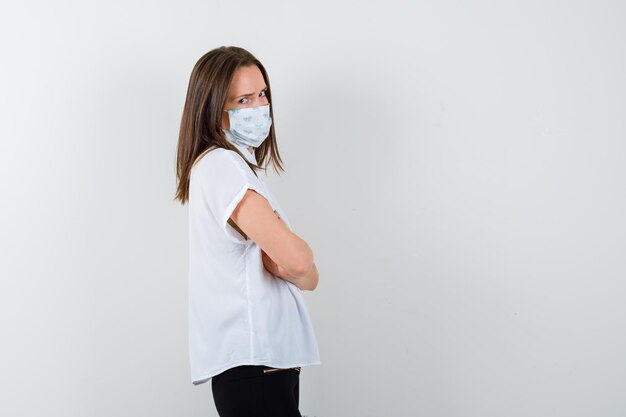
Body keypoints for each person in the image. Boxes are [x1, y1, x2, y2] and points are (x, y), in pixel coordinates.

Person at [174, 46, 321, 417]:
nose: (258, 107)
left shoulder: (238, 167)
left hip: (263, 367)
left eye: (262, 94)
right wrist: (293, 260)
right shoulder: (223, 165)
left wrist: (295, 265)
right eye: (243, 99)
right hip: (254, 368)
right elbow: (300, 261)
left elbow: (306, 275)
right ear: (212, 110)